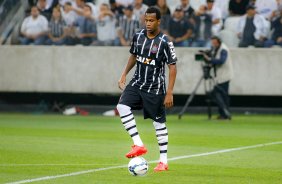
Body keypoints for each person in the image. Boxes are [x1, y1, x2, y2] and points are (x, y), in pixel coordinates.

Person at [116, 7, 177, 172]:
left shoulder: (165, 41)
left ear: (158, 21)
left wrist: (169, 92)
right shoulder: (138, 36)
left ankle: (163, 161)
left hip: (155, 89)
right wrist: (123, 74)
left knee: (158, 123)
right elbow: (134, 55)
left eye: (151, 21)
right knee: (121, 106)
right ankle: (138, 144)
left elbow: (172, 67)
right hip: (137, 83)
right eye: (146, 20)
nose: (148, 23)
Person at [202, 36, 233, 120]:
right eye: (212, 42)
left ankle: (225, 114)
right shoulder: (217, 49)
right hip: (220, 76)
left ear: (218, 42)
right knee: (220, 95)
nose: (213, 44)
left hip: (224, 76)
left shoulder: (223, 49)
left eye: (215, 42)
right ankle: (223, 114)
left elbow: (221, 61)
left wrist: (209, 59)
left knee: (221, 95)